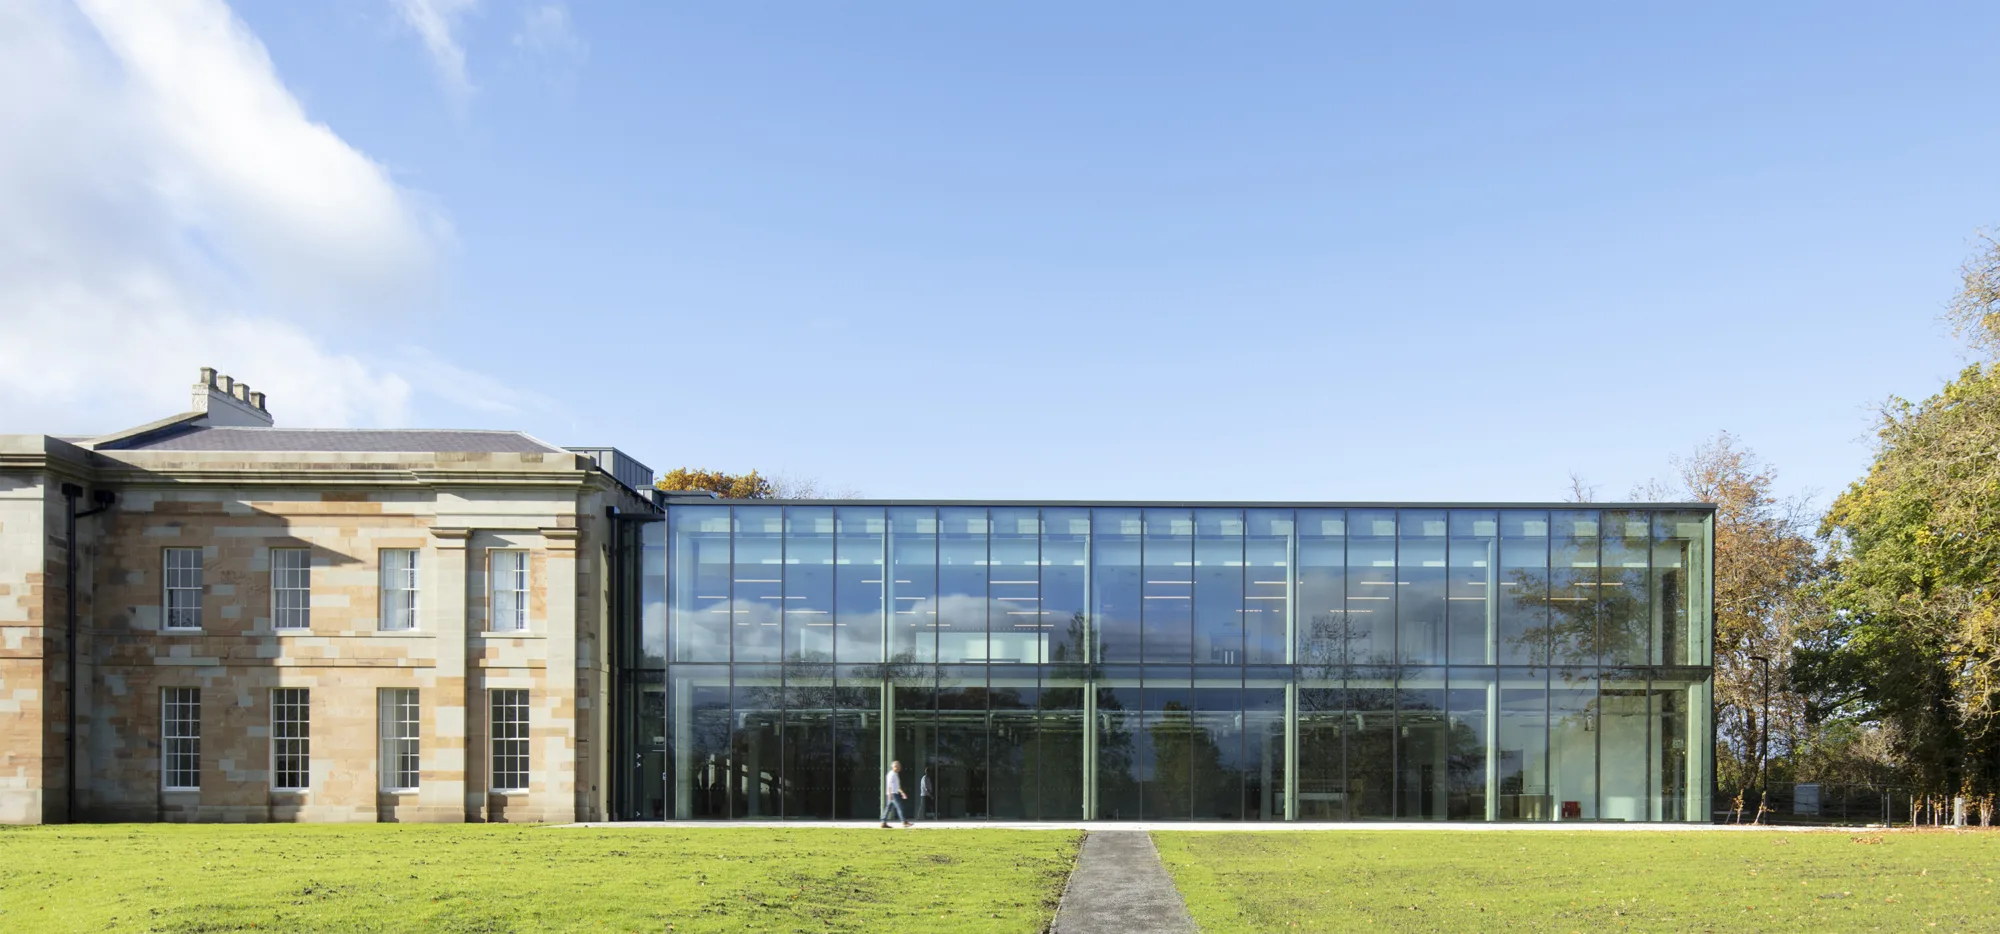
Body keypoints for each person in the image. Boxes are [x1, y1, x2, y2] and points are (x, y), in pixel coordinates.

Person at [880, 760, 911, 828]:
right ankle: (904, 822)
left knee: (888, 808)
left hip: (893, 793)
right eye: (898, 766)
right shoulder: (892, 774)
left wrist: (902, 793)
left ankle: (883, 822)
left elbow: (897, 786)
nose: (900, 768)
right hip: (893, 794)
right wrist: (890, 794)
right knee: (900, 807)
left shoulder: (895, 774)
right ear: (894, 767)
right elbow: (889, 785)